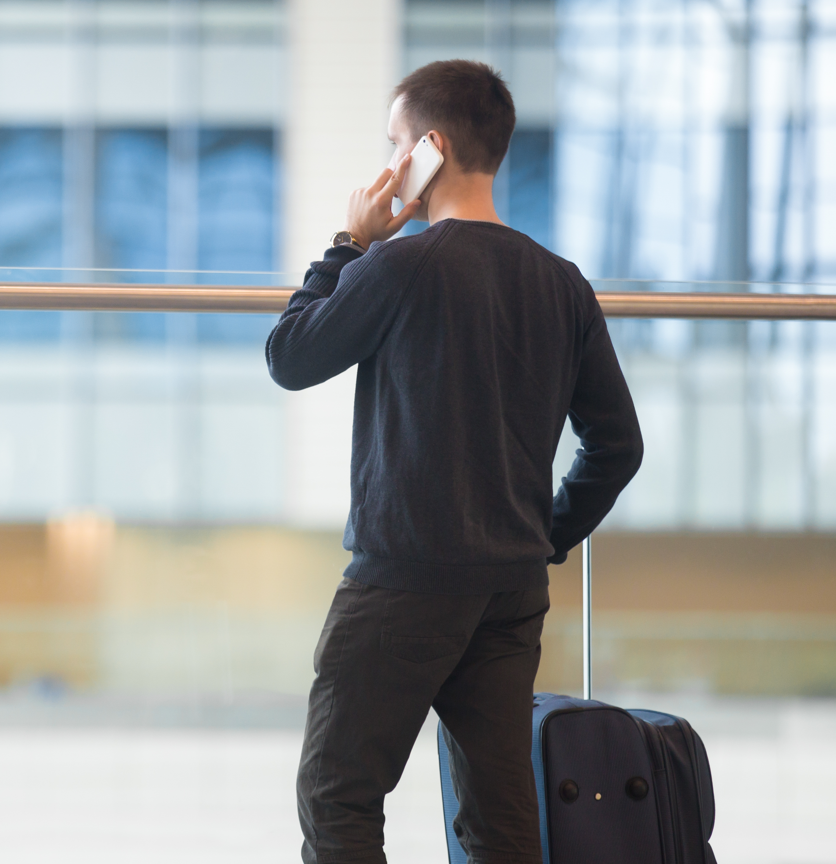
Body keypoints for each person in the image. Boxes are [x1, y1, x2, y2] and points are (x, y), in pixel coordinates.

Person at [265, 60, 643, 864]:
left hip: (403, 579)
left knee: (338, 795)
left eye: (395, 145)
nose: (391, 165)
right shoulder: (561, 284)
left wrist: (349, 241)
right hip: (509, 587)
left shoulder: (398, 265)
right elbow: (617, 446)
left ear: (429, 148)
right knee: (499, 812)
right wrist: (542, 535)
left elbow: (291, 356)